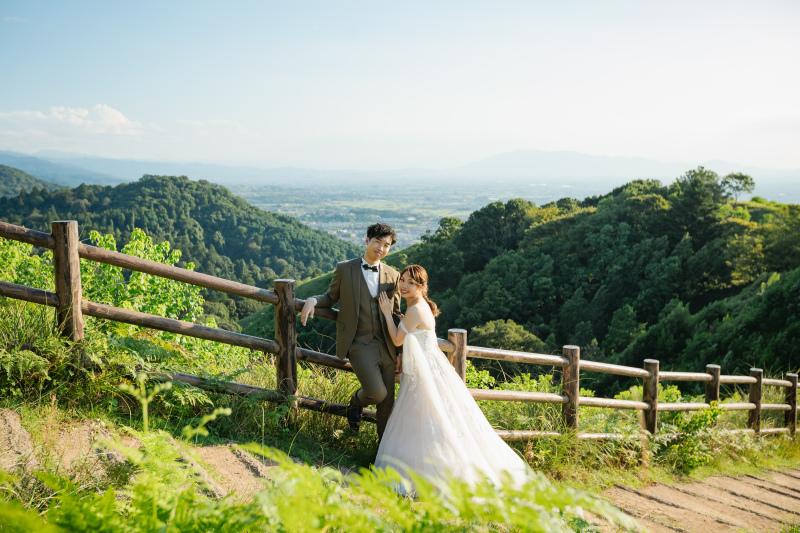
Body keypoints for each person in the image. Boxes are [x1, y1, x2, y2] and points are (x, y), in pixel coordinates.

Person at [374, 264, 530, 489]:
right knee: (430, 417)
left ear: (422, 287)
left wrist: (388, 314)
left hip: (423, 370)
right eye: (403, 281)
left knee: (427, 418)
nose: (405, 286)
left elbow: (398, 339)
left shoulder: (416, 309)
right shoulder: (420, 305)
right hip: (427, 367)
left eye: (411, 283)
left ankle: (434, 473)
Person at [300, 223, 402, 440]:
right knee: (377, 393)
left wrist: (400, 352)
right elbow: (330, 298)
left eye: (387, 245)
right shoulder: (345, 268)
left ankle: (381, 455)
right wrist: (312, 300)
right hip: (359, 342)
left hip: (387, 344)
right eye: (377, 242)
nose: (381, 248)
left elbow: (396, 314)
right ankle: (355, 402)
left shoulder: (393, 275)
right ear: (367, 241)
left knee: (387, 403)